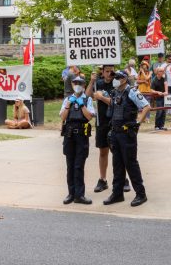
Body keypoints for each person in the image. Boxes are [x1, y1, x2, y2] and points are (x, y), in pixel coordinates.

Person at [103, 71, 151, 207]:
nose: (115, 79)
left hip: (127, 133)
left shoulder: (132, 92)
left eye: (118, 77)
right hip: (115, 133)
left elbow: (147, 106)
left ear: (124, 79)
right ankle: (117, 194)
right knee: (117, 164)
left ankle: (141, 194)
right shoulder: (114, 92)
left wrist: (137, 123)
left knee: (131, 164)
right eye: (114, 77)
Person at [88, 65, 127, 193]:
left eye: (112, 71)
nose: (110, 73)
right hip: (102, 122)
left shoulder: (116, 84)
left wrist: (102, 98)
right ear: (102, 72)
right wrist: (92, 81)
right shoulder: (98, 83)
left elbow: (116, 102)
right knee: (103, 151)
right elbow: (88, 96)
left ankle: (123, 179)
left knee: (118, 151)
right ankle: (102, 179)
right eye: (107, 71)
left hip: (115, 122)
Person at [60, 77, 95, 205]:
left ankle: (79, 195)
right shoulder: (67, 99)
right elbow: (62, 117)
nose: (77, 85)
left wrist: (81, 105)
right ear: (72, 84)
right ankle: (71, 193)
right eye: (75, 83)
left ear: (84, 85)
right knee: (70, 166)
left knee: (79, 165)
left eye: (80, 83)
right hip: (69, 135)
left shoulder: (88, 99)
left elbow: (89, 117)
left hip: (81, 134)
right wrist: (68, 106)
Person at [150, 66, 168, 131]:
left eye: (163, 71)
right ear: (157, 72)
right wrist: (157, 92)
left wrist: (166, 91)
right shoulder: (154, 79)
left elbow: (166, 84)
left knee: (164, 111)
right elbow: (151, 90)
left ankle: (162, 126)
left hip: (164, 97)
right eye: (161, 71)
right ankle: (157, 126)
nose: (163, 72)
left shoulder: (164, 78)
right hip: (158, 98)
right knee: (159, 111)